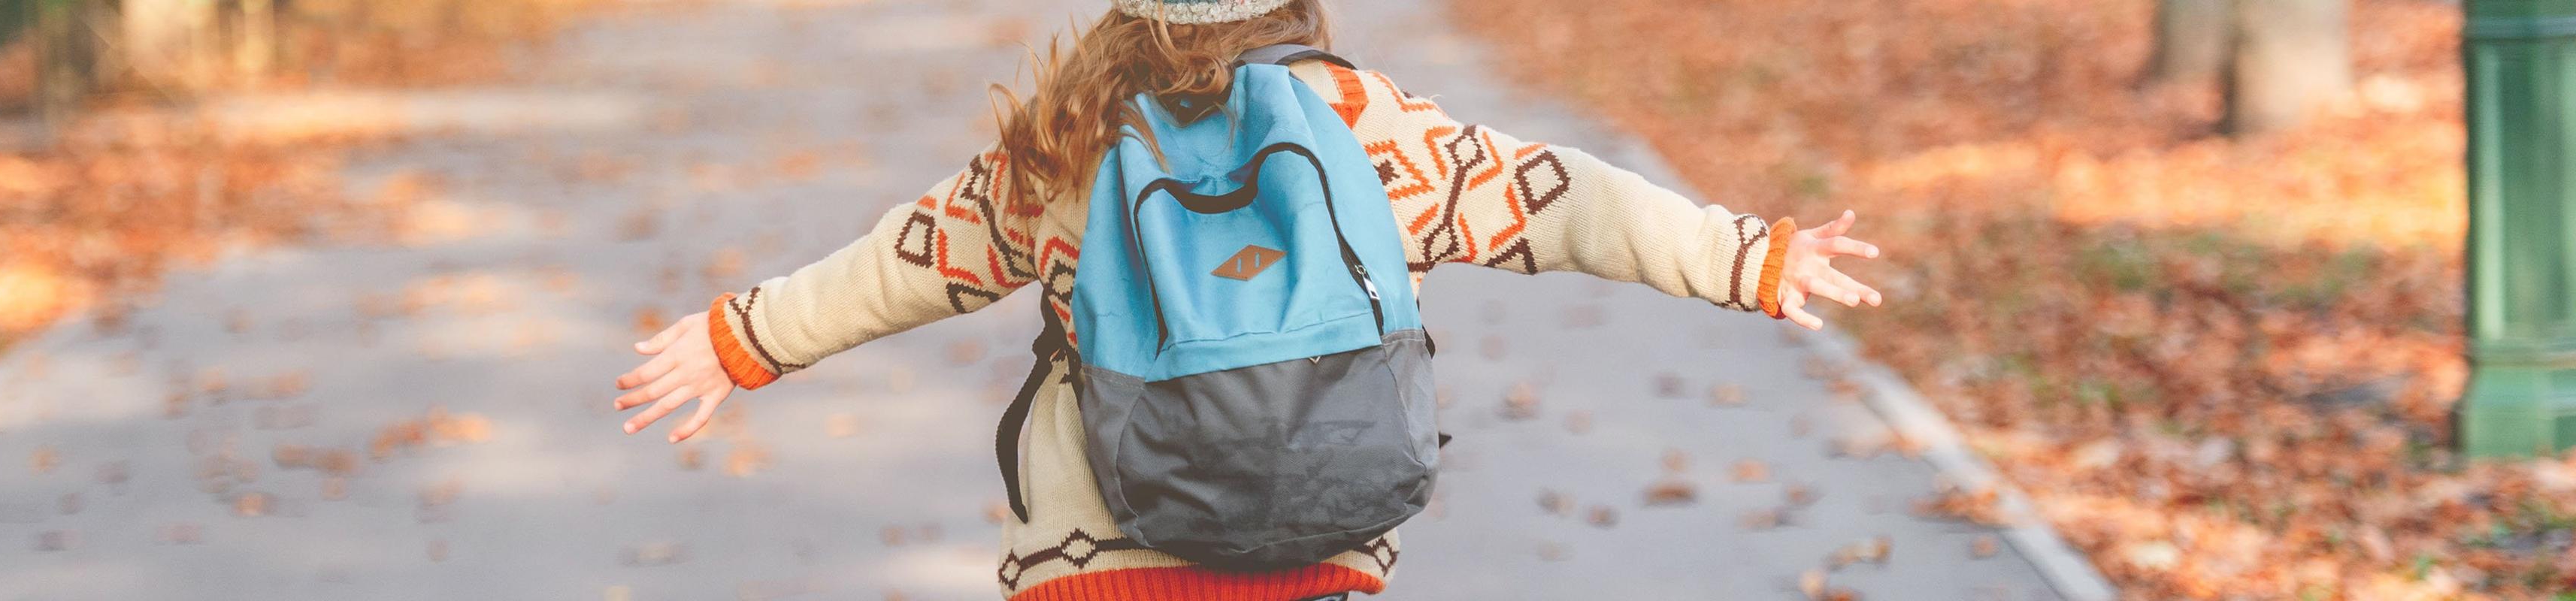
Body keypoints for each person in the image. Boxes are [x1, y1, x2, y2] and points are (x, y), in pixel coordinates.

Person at [607, 0, 1885, 598]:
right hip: (1320, 550)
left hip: (1096, 560)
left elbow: (906, 263)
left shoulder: (1073, 139)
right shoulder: (1370, 127)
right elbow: (1564, 198)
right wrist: (1746, 259)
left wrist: (743, 340)